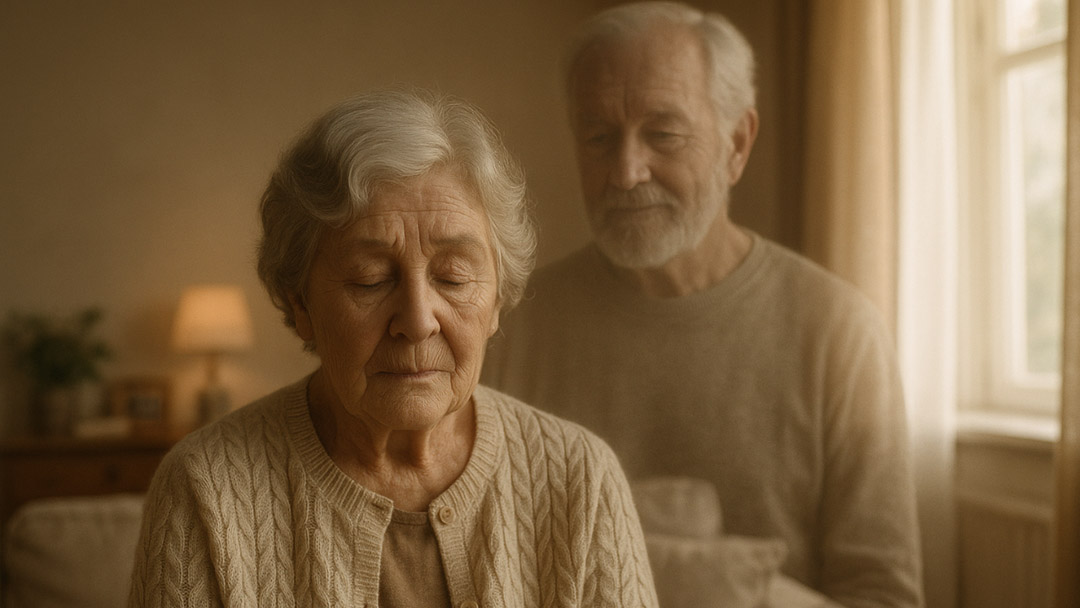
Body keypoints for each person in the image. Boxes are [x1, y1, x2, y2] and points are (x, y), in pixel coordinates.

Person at [128, 90, 658, 608]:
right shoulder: (205, 490)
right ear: (301, 304)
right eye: (370, 278)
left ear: (497, 299)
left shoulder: (580, 480)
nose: (417, 321)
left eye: (453, 277)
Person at [481, 3, 923, 607]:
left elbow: (885, 598)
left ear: (737, 144)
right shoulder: (511, 327)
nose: (627, 171)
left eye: (662, 134)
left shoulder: (840, 333)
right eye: (599, 137)